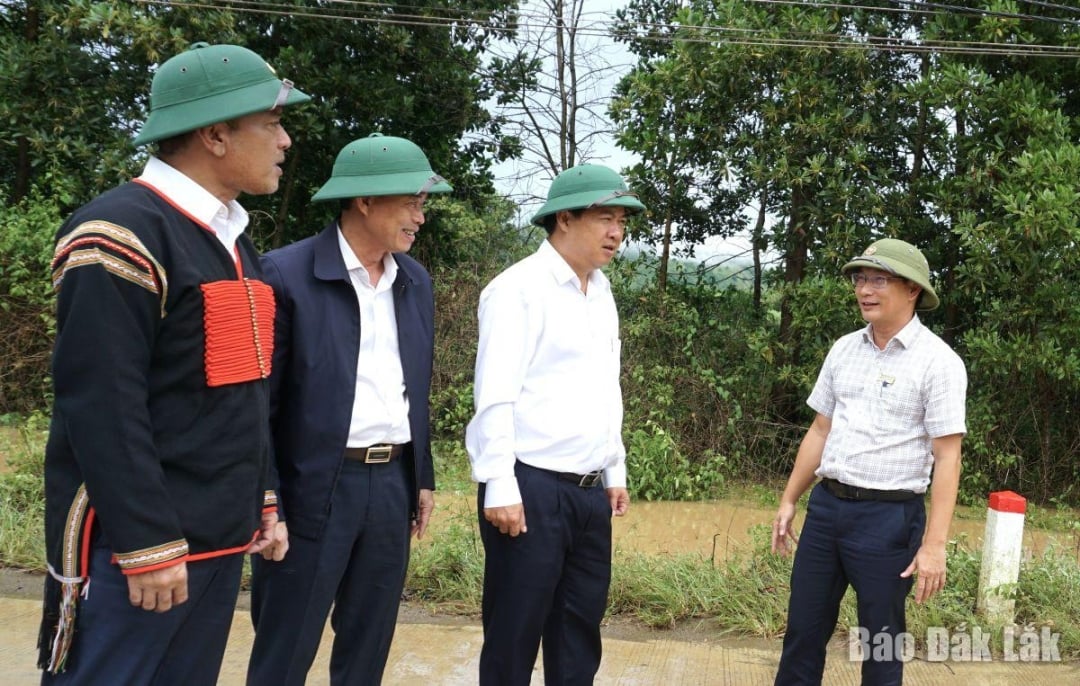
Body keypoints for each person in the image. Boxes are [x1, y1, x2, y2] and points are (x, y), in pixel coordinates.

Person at [38, 43, 309, 684]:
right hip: (141, 555)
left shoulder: (231, 239)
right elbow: (103, 406)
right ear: (215, 135)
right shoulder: (119, 232)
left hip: (216, 540)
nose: (286, 141)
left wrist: (262, 498)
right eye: (271, 124)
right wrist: (145, 544)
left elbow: (245, 388)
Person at [246, 133, 447, 685]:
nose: (419, 218)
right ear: (364, 200)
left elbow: (413, 389)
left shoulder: (414, 281)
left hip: (390, 488)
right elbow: (255, 407)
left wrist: (420, 476)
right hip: (313, 488)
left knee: (368, 644)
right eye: (410, 202)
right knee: (285, 648)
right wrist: (269, 499)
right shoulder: (284, 275)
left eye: (422, 205)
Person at [465, 164, 645, 685]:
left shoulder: (602, 291)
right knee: (514, 633)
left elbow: (605, 386)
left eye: (622, 221)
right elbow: (495, 393)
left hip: (588, 493)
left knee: (578, 631)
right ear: (564, 219)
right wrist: (499, 482)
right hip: (530, 488)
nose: (617, 232)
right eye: (605, 218)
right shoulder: (518, 289)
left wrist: (615, 470)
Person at [771, 238, 967, 685]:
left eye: (879, 280)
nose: (865, 290)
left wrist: (934, 546)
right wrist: (789, 499)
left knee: (881, 643)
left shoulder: (939, 363)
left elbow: (947, 456)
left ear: (912, 289)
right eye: (861, 279)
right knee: (802, 632)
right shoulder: (844, 349)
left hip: (889, 520)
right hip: (827, 511)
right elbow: (821, 429)